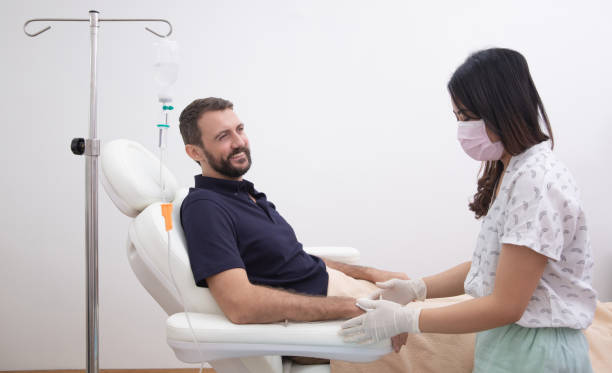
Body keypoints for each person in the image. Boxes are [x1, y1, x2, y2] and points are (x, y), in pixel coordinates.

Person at [340, 48, 596, 373]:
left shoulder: (537, 179)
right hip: (510, 345)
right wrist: (417, 289)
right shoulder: (514, 172)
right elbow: (490, 267)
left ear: (499, 109)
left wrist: (409, 319)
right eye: (457, 117)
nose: (462, 128)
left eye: (466, 116)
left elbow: (506, 305)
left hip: (537, 353)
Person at [177, 97, 411, 351]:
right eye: (223, 136)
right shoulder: (205, 208)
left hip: (345, 294)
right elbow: (240, 305)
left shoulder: (244, 194)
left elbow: (293, 258)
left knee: (451, 301)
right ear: (195, 152)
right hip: (330, 317)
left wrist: (370, 274)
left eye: (240, 129)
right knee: (454, 328)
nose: (239, 142)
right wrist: (352, 307)